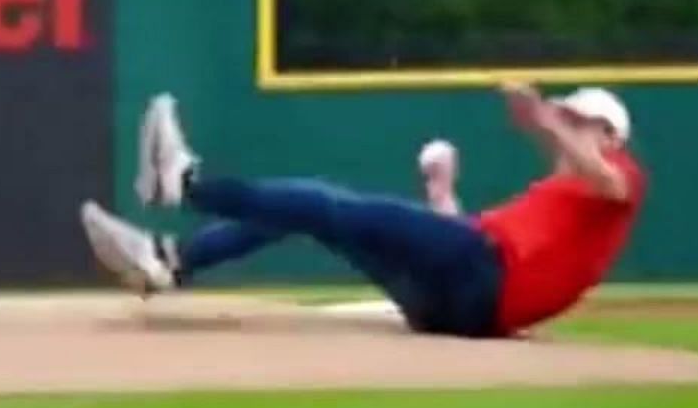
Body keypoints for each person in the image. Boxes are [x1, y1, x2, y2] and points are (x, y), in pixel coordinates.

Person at [81, 86, 648, 338]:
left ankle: (185, 184)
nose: (567, 127)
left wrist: (547, 120)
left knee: (323, 200)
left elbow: (605, 178)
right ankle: (169, 261)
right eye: (567, 118)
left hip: (474, 281)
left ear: (610, 134)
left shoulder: (620, 176)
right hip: (453, 309)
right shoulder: (553, 199)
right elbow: (468, 245)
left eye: (580, 121)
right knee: (315, 214)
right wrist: (443, 192)